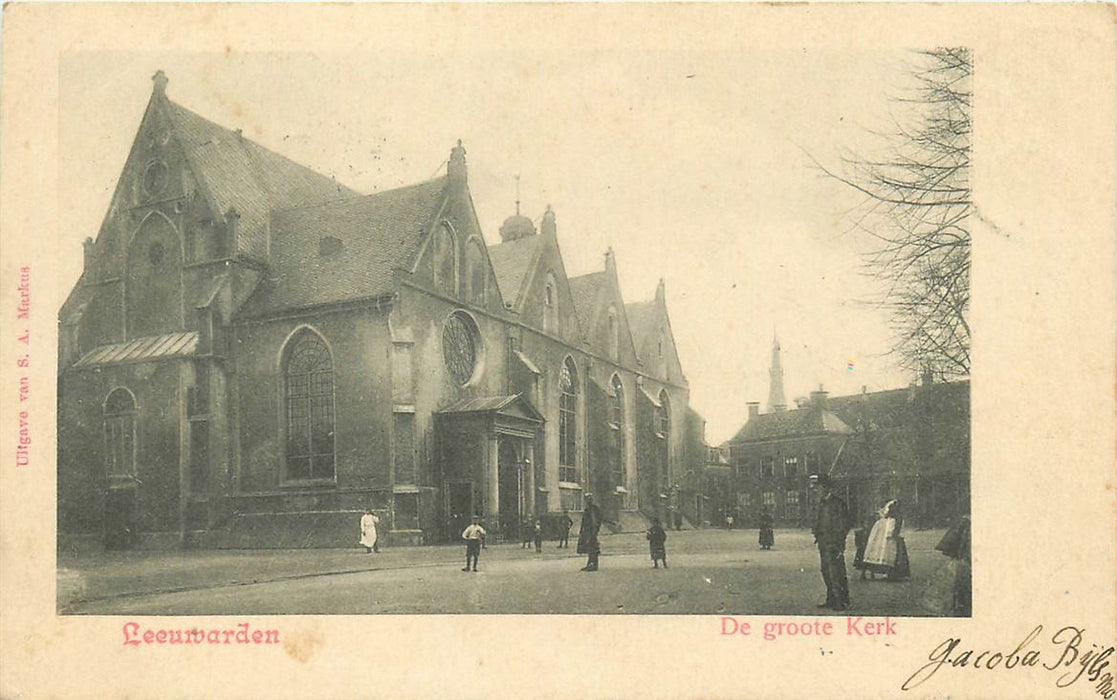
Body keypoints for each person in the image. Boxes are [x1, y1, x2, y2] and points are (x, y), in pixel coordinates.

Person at [811, 473, 853, 610]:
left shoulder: (837, 503)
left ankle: (841, 601)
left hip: (834, 543)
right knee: (826, 571)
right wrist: (817, 532)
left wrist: (839, 542)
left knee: (836, 572)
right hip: (823, 542)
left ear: (825, 487)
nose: (815, 490)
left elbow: (844, 524)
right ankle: (831, 599)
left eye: (817, 487)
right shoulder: (822, 503)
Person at [860, 500, 910, 581]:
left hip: (885, 535)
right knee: (885, 552)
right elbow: (891, 530)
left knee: (885, 552)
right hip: (885, 535)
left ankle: (890, 572)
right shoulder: (888, 520)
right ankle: (889, 572)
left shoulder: (889, 520)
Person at [577, 494, 602, 571]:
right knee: (590, 547)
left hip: (591, 531)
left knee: (593, 547)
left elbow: (596, 520)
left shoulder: (593, 509)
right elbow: (584, 521)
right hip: (588, 531)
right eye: (587, 499)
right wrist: (581, 530)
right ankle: (590, 564)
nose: (588, 501)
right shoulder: (588, 509)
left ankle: (593, 565)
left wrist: (595, 530)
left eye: (589, 499)